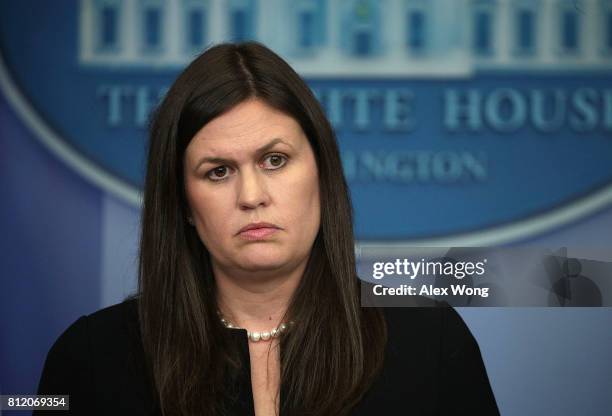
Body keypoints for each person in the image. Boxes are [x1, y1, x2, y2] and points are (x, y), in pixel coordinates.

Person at [35, 41, 500, 416]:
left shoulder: (430, 341)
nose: (251, 195)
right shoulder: (91, 360)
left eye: (274, 160)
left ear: (322, 176)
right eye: (218, 171)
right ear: (183, 204)